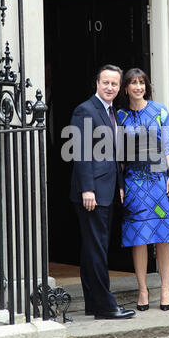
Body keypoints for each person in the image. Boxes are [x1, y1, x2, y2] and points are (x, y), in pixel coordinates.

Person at [117, 68, 169, 312]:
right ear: (125, 88)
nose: (138, 87)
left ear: (146, 86)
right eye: (133, 83)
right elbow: (119, 158)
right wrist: (121, 185)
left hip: (160, 181)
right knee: (139, 238)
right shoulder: (120, 116)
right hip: (134, 182)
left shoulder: (159, 111)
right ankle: (143, 289)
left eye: (141, 83)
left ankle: (165, 289)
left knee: (163, 237)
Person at [69, 65, 136, 320]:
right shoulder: (85, 110)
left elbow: (113, 154)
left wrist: (119, 184)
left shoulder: (113, 113)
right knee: (96, 248)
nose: (110, 88)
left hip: (107, 190)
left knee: (93, 248)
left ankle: (94, 305)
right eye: (105, 82)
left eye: (114, 84)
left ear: (120, 88)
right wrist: (88, 189)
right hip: (92, 193)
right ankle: (106, 306)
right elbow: (82, 152)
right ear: (97, 83)